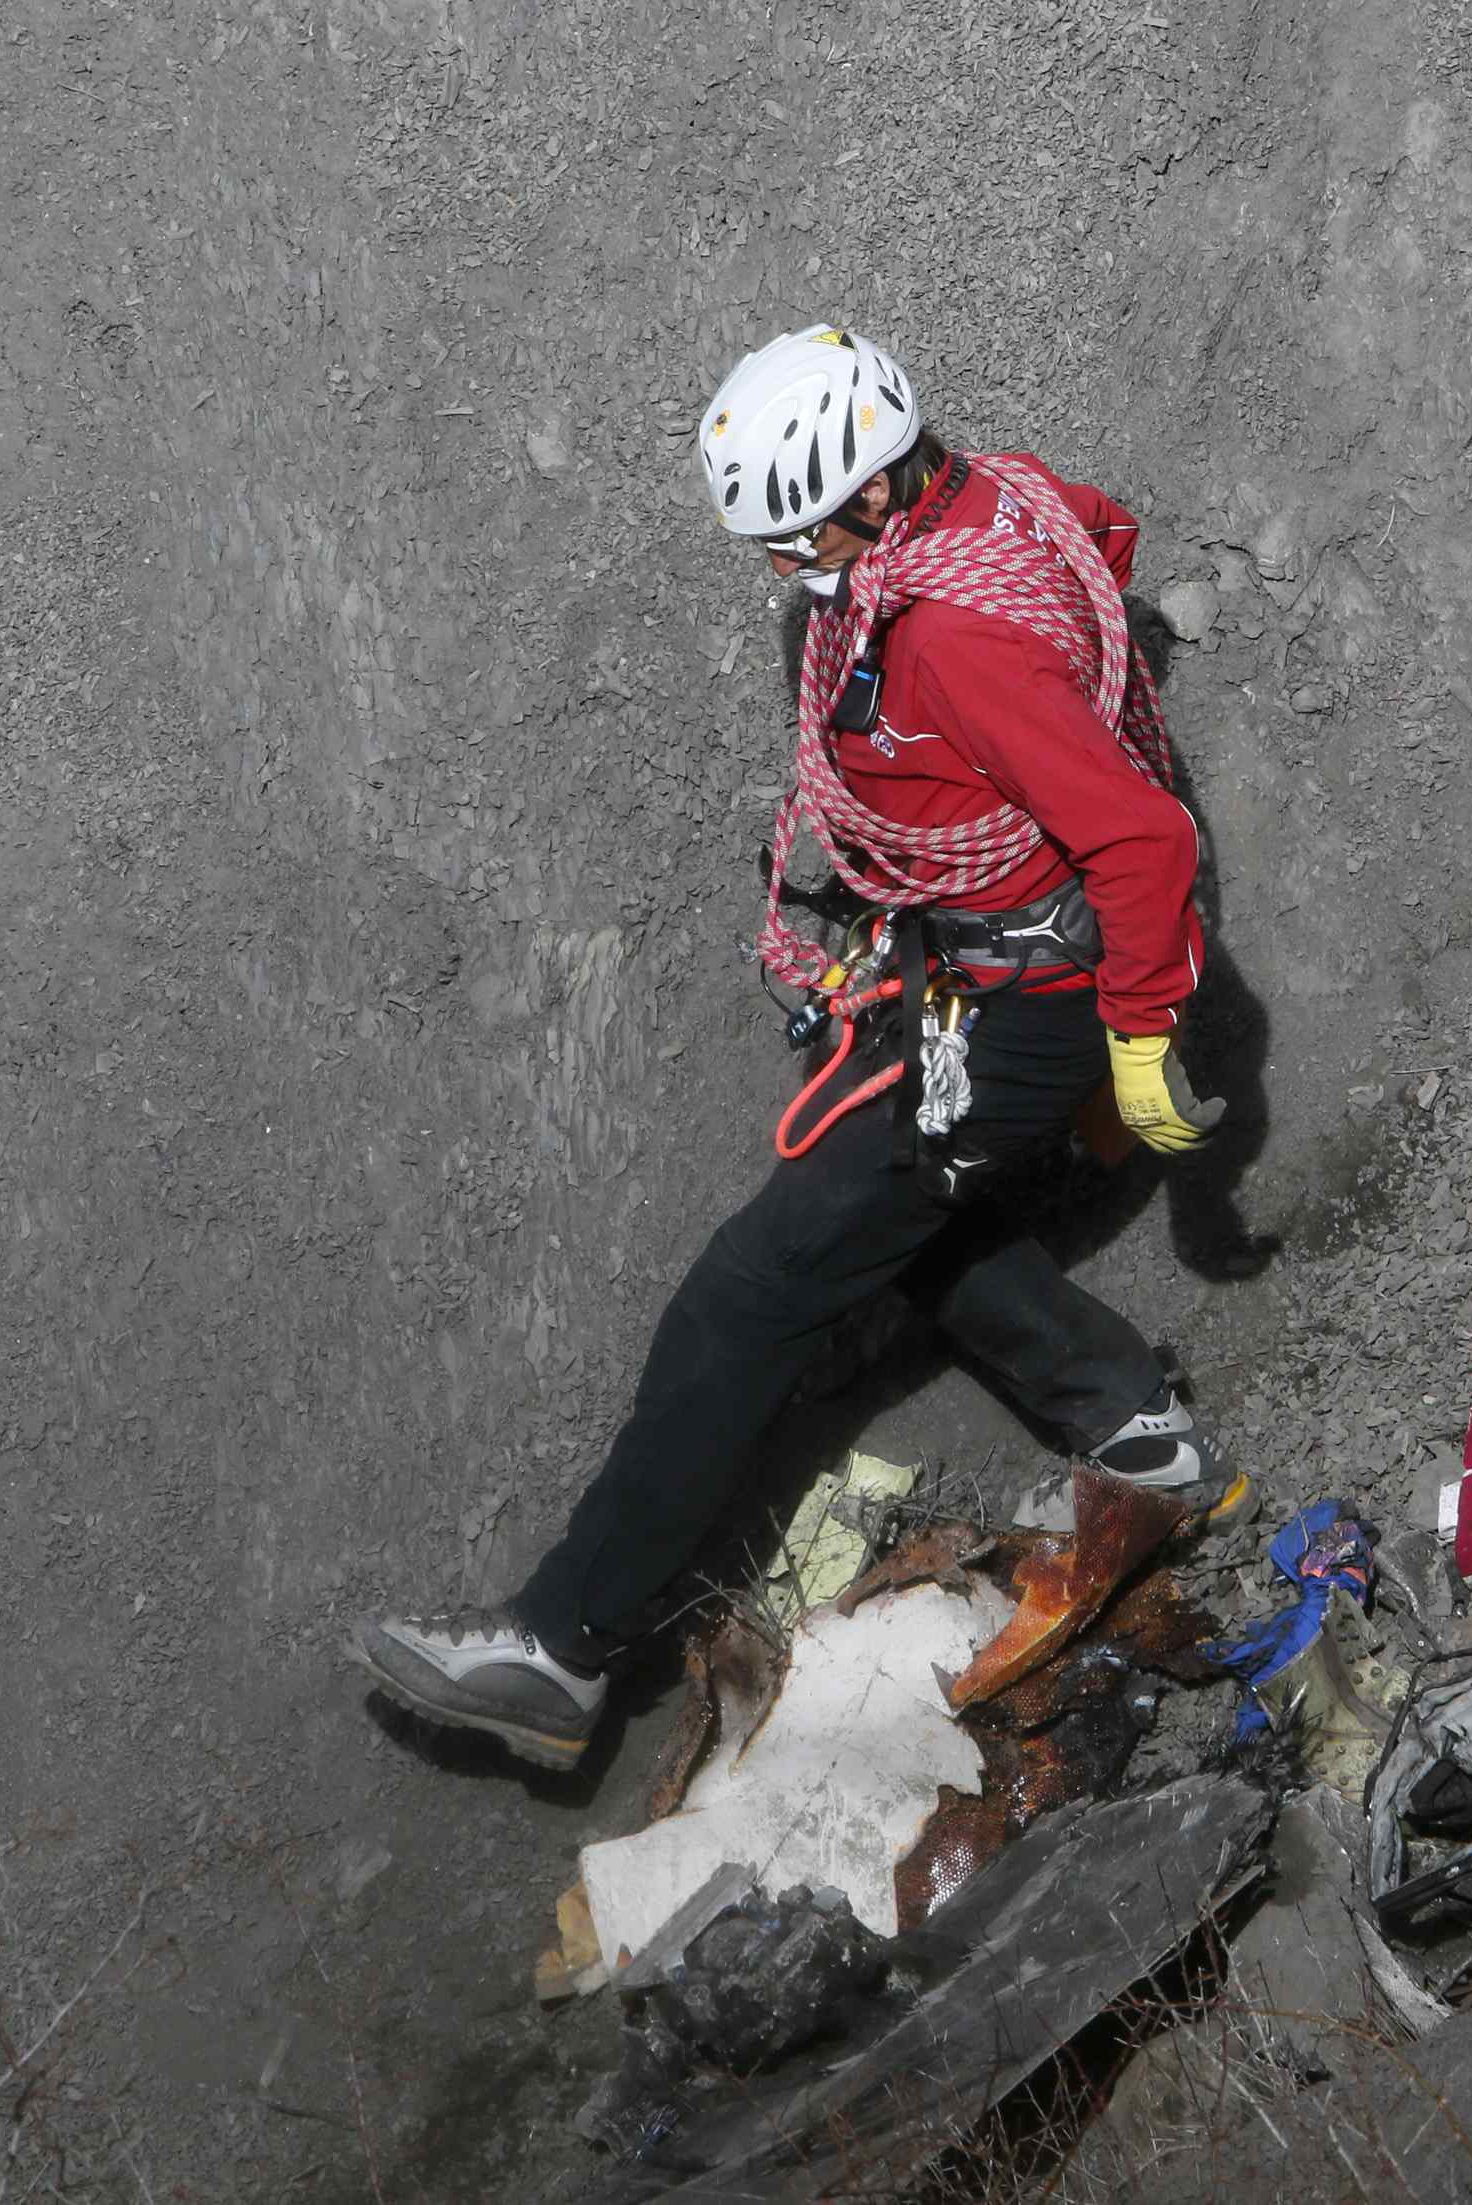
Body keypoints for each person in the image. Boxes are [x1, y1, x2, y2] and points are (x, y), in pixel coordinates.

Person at [352, 324, 1230, 1771]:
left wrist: (1136, 1040)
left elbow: (1144, 838)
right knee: (898, 1225)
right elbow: (1099, 533)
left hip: (1022, 999)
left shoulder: (946, 639)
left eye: (792, 541)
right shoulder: (989, 500)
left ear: (874, 496)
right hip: (999, 962)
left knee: (746, 1294)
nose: (781, 576)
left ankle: (562, 1653)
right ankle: (1138, 1428)